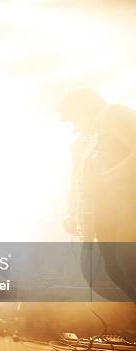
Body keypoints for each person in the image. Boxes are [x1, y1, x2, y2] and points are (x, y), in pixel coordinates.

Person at [59, 89, 136, 301]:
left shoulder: (113, 114)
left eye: (74, 118)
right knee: (117, 271)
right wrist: (72, 213)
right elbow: (76, 181)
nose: (74, 126)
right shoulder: (81, 142)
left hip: (129, 207)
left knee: (128, 262)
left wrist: (105, 179)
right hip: (105, 213)